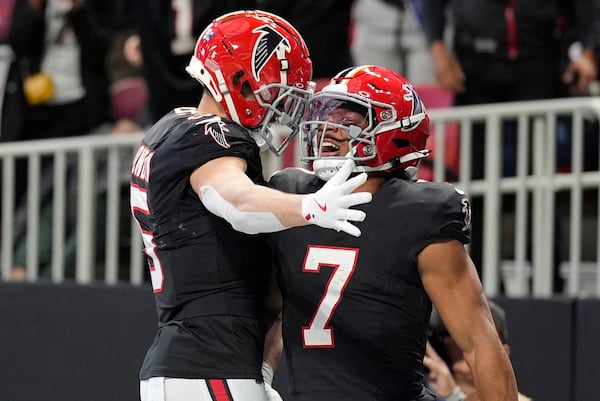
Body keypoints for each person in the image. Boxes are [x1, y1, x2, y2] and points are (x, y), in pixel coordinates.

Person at [130, 10, 372, 401]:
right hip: (209, 365)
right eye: (275, 90)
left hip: (197, 362)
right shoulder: (212, 137)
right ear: (240, 81)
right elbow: (234, 201)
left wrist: (261, 368)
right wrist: (309, 206)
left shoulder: (171, 128)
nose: (282, 105)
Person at [266, 65, 518, 401]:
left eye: (348, 121)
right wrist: (259, 378)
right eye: (326, 115)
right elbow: (264, 312)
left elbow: (478, 342)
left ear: (394, 131)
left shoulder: (419, 212)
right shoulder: (291, 195)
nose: (327, 129)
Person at [425, 300, 532, 401]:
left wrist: (454, 397)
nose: (466, 340)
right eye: (453, 332)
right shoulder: (421, 393)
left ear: (504, 353)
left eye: (483, 335)